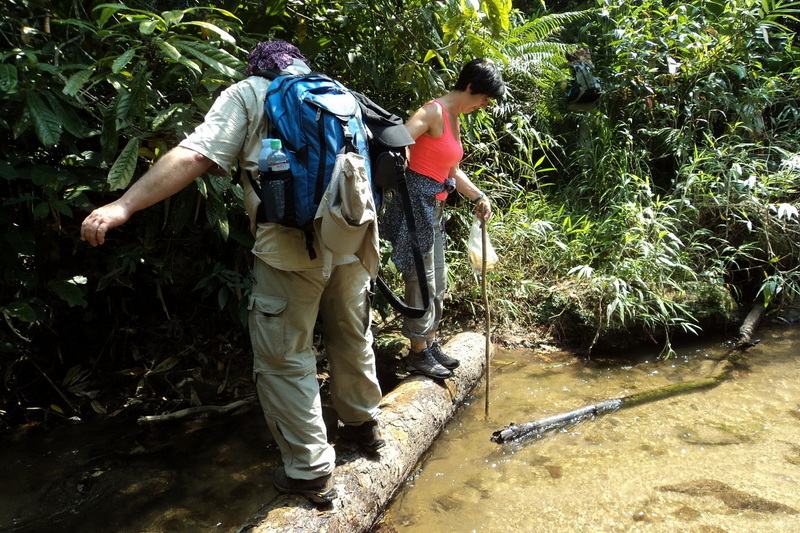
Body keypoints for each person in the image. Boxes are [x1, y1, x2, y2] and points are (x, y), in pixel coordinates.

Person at [80, 41, 384, 506]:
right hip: (350, 243)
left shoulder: (248, 93)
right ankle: (365, 427)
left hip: (288, 250)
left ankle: (308, 471)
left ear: (256, 67)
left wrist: (123, 205)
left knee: (286, 357)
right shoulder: (335, 92)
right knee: (351, 335)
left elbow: (197, 155)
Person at [382, 58, 505, 379]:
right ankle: (417, 353)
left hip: (433, 207)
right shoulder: (434, 111)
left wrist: (478, 196)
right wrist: (404, 155)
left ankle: (430, 342)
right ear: (470, 87)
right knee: (420, 281)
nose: (483, 105)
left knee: (437, 278)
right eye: (484, 98)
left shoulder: (453, 118)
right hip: (415, 206)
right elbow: (399, 139)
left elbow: (451, 169)